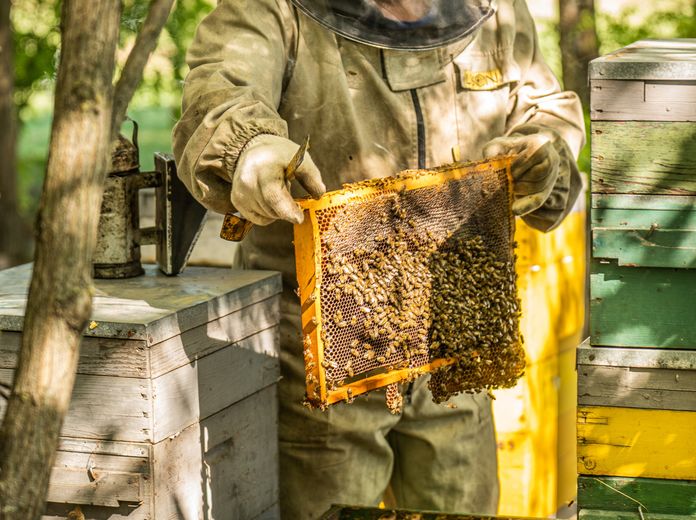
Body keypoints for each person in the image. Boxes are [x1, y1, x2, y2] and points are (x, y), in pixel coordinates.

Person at [173, 1, 585, 518]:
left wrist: (541, 149)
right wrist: (250, 148)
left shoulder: (493, 9)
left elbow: (544, 106)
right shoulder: (273, 9)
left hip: (458, 338)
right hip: (324, 346)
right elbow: (222, 91)